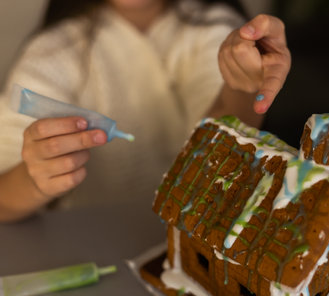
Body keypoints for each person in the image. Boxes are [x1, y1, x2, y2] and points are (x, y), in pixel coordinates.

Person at [0, 0, 291, 223]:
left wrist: (244, 82)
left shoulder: (213, 30)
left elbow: (222, 148)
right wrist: (35, 179)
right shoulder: (53, 52)